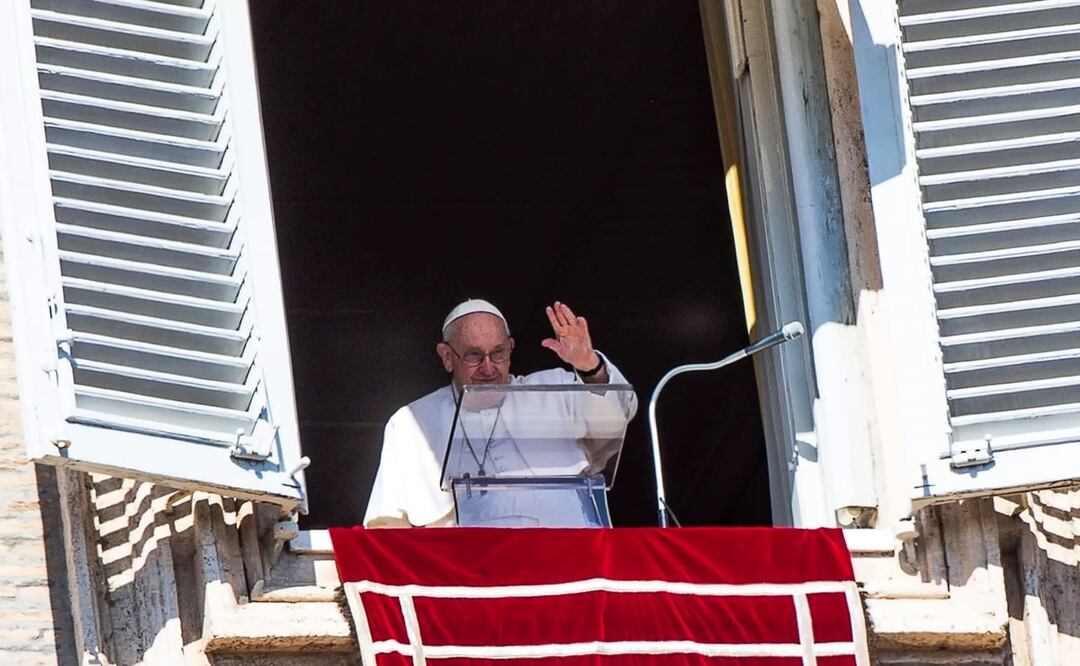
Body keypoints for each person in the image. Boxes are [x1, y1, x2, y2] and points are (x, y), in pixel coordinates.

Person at [363, 299, 637, 527]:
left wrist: (589, 366)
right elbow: (385, 525)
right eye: (473, 356)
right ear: (446, 356)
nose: (488, 368)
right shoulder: (411, 422)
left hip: (568, 556)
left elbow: (619, 414)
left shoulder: (553, 389)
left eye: (498, 353)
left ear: (511, 348)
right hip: (468, 567)